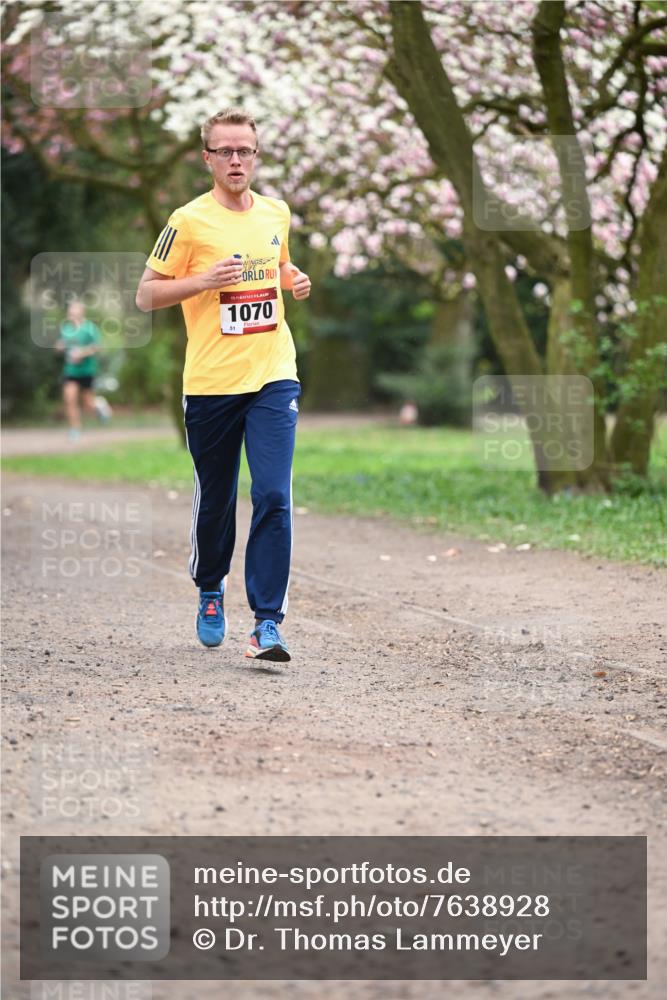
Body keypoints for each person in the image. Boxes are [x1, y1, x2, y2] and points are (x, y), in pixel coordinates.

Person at [136, 107, 311, 661]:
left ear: (257, 156)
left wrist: (294, 278)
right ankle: (211, 589)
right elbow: (146, 294)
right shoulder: (187, 222)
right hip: (211, 382)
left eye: (246, 151)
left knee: (273, 494)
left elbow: (277, 265)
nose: (236, 160)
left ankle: (267, 623)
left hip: (273, 374)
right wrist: (201, 281)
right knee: (217, 499)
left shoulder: (276, 212)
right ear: (207, 157)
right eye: (225, 151)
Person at [55, 301, 103, 441]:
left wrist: (82, 353)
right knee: (69, 398)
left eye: (75, 313)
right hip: (71, 371)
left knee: (88, 404)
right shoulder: (66, 329)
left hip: (87, 370)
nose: (72, 316)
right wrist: (60, 346)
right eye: (70, 313)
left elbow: (97, 347)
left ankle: (100, 407)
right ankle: (75, 429)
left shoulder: (90, 328)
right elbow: (63, 344)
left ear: (82, 313)